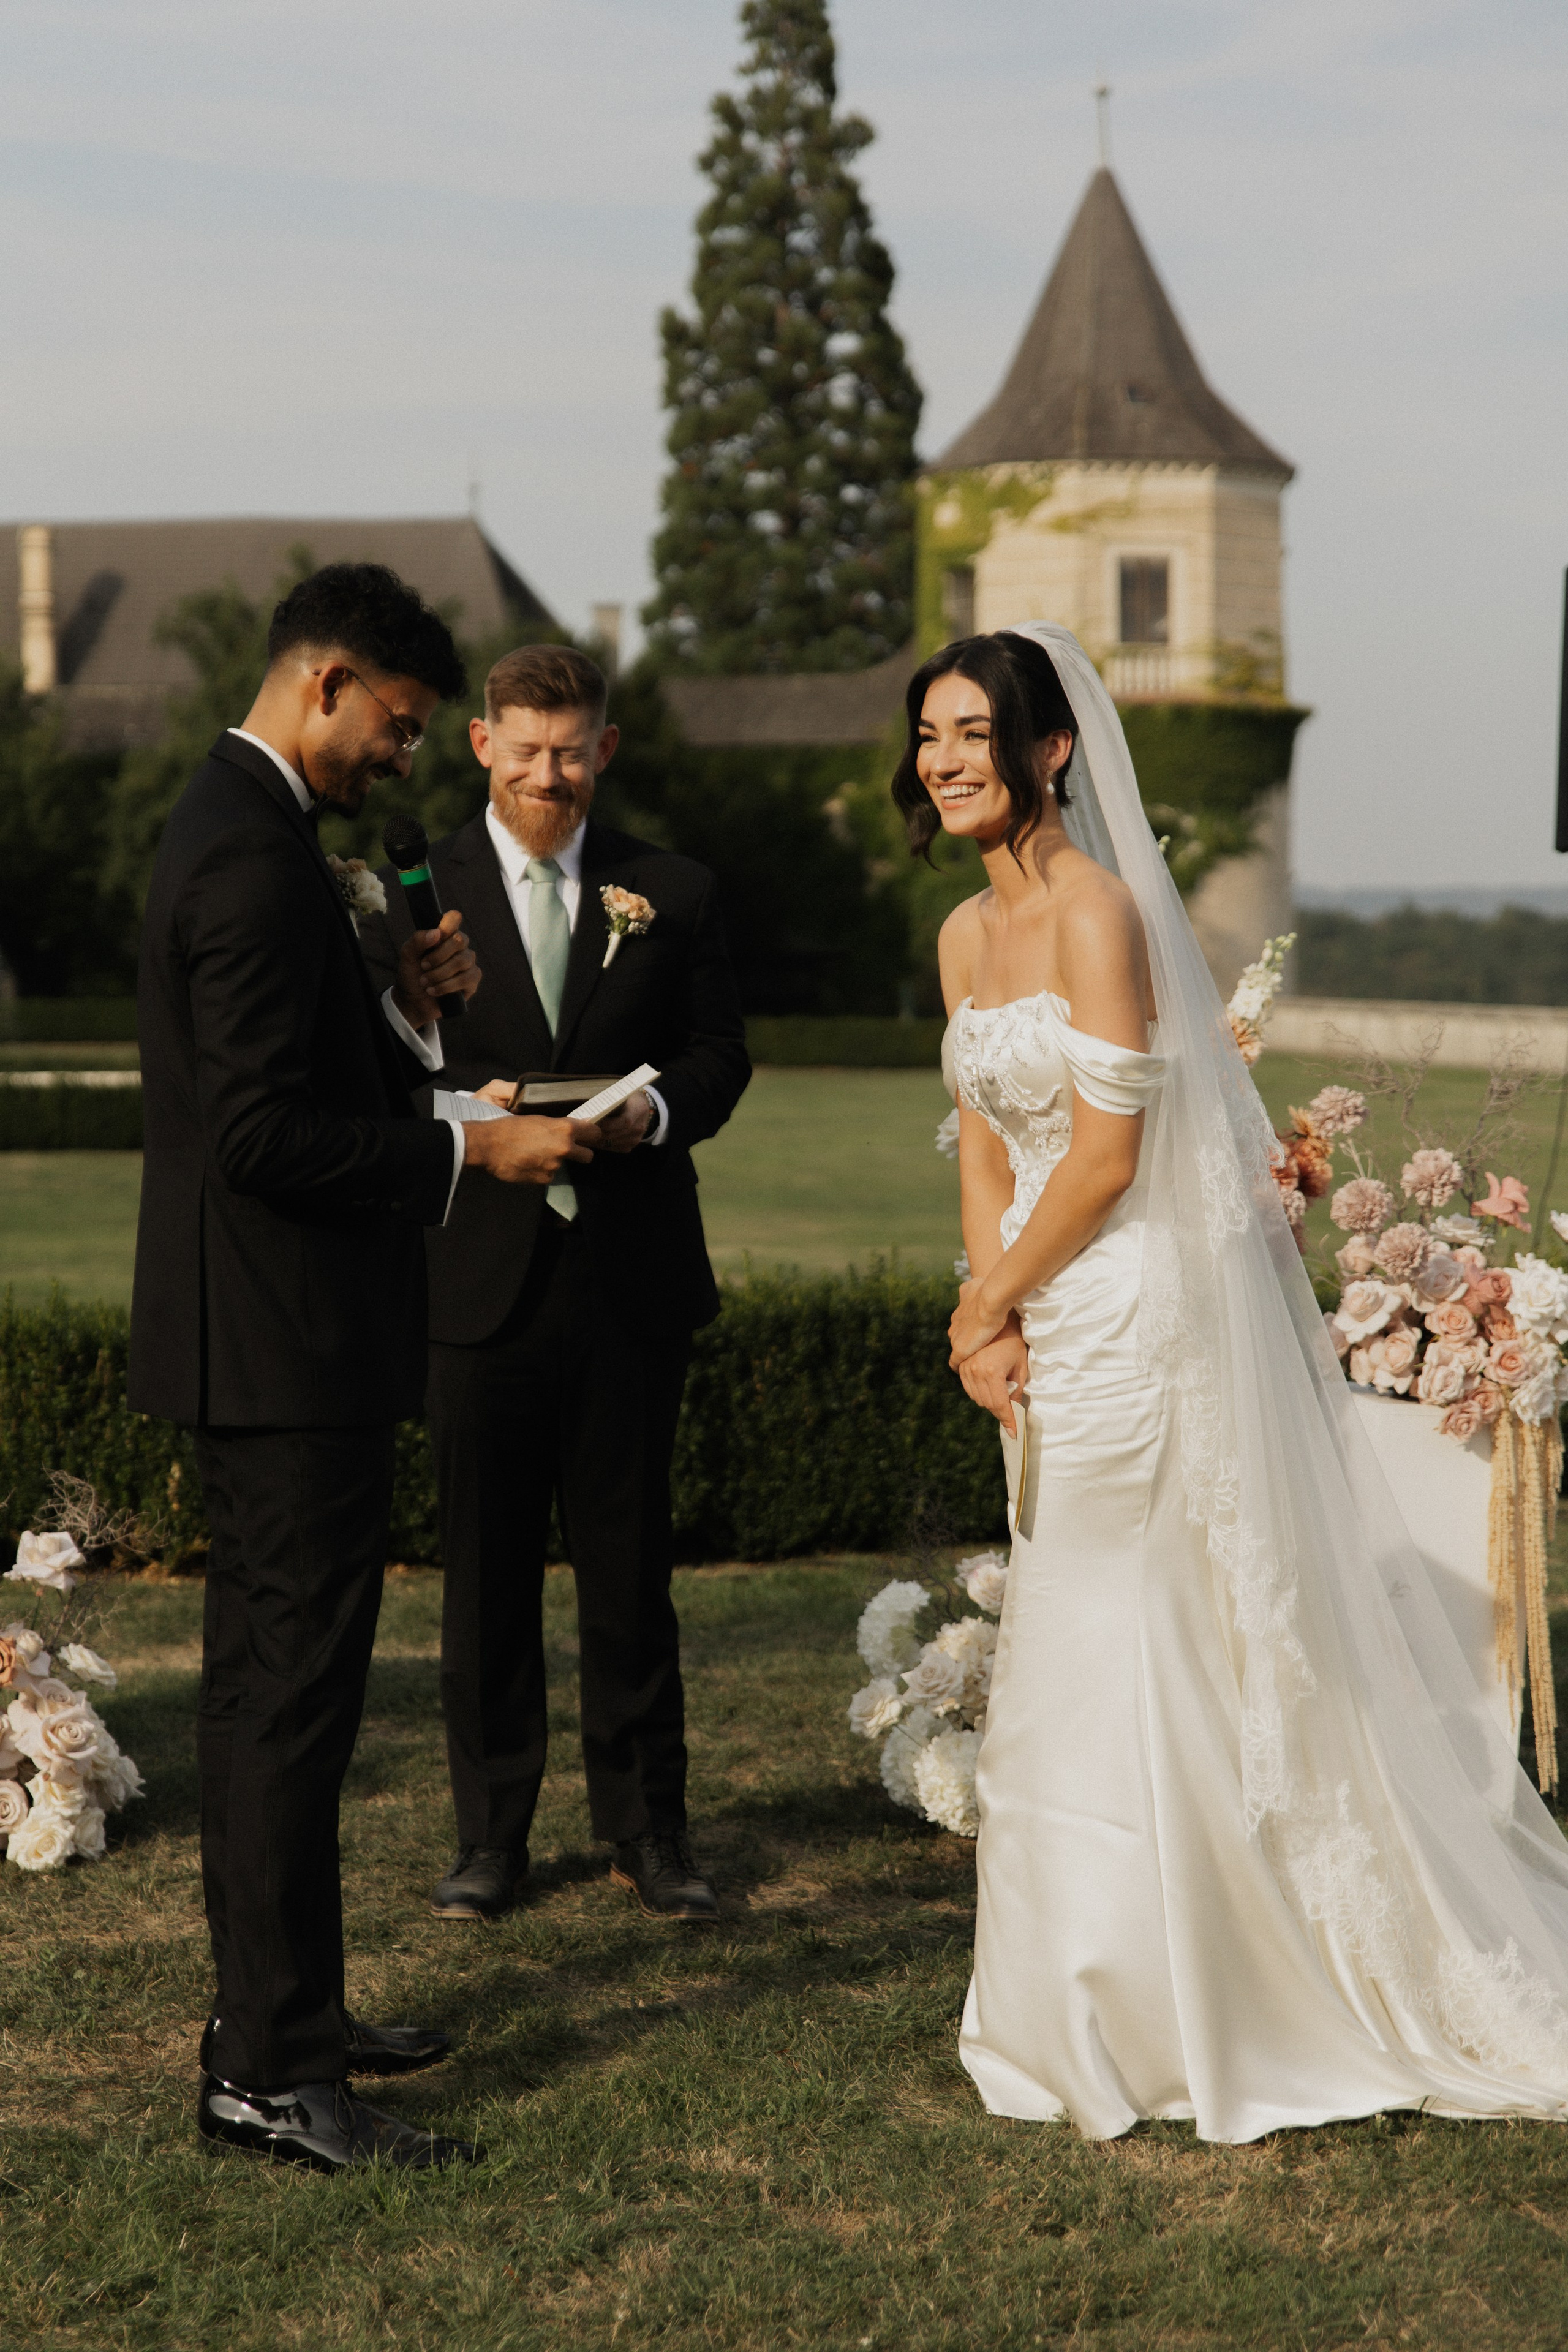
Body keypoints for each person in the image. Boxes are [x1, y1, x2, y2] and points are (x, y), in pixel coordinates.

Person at [902, 622, 1568, 2143]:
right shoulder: (959, 936)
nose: (941, 759)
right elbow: (989, 1146)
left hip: (1127, 1308)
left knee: (1112, 1621)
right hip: (1027, 1311)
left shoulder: (1099, 913)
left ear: (1048, 750)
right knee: (1076, 1608)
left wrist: (998, 1297)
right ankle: (1078, 1992)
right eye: (927, 734)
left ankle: (1161, 2002)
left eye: (968, 732)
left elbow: (1112, 1156)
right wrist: (980, 1314)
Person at [131, 564, 603, 2171]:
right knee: (280, 1714)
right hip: (282, 1347)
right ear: (324, 683)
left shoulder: (255, 835)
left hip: (284, 1339)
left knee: (296, 1708)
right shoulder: (252, 865)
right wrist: (476, 1155)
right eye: (398, 729)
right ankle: (269, 2073)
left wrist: (410, 1020)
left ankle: (292, 2020)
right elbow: (261, 1135)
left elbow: (303, 1083)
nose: (404, 763)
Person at [360, 643, 750, 1928]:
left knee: (632, 1576)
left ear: (606, 749)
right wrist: (467, 1118)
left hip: (629, 1274)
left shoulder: (671, 888)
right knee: (482, 1582)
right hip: (472, 1278)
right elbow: (368, 1081)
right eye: (524, 750)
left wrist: (652, 1115)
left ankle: (650, 1830)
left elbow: (717, 1058)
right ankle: (490, 1840)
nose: (549, 773)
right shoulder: (403, 897)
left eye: (571, 749)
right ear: (481, 745)